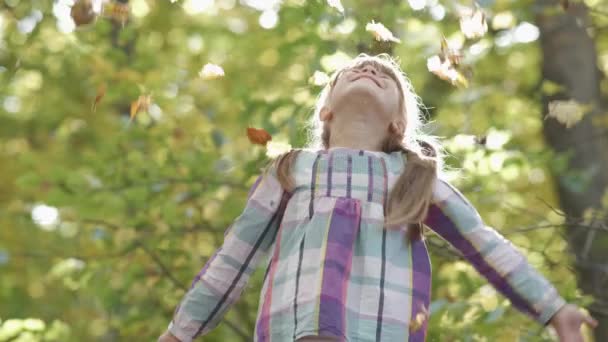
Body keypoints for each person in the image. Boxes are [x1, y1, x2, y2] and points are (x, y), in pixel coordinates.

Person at [158, 53, 598, 342]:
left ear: (398, 126)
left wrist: (552, 307)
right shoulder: (291, 171)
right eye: (353, 71)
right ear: (326, 111)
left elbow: (483, 242)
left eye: (386, 76)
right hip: (295, 332)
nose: (370, 69)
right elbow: (232, 260)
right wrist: (180, 332)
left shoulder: (412, 179)